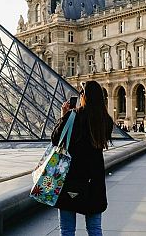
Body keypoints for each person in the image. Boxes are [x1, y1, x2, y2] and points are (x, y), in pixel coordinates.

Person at [51, 81, 114, 236]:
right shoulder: (106, 121)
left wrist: (64, 117)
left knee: (66, 230)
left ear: (84, 96)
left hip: (70, 178)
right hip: (94, 181)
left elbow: (56, 140)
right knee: (94, 229)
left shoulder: (74, 117)